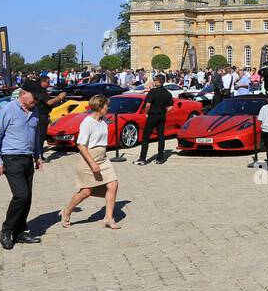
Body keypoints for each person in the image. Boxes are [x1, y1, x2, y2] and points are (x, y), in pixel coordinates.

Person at [0, 81, 43, 250]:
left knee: (28, 197)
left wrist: (38, 156)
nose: (36, 101)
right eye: (34, 97)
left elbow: (35, 136)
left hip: (27, 158)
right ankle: (7, 230)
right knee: (21, 195)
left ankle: (20, 232)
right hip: (11, 158)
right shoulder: (7, 109)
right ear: (24, 93)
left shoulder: (35, 111)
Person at [60, 95, 122, 230]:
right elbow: (81, 145)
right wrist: (93, 163)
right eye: (106, 105)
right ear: (99, 107)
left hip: (103, 157)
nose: (108, 108)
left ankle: (108, 218)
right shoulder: (87, 122)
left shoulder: (103, 120)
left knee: (113, 184)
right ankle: (66, 211)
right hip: (89, 158)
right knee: (86, 192)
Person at [135, 75, 174, 166]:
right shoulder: (168, 93)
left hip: (153, 115)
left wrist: (147, 112)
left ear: (157, 82)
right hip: (162, 115)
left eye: (154, 80)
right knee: (161, 136)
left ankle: (142, 158)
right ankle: (160, 158)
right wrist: (165, 111)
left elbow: (148, 104)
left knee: (146, 137)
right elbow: (171, 106)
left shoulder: (152, 92)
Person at [33, 75, 67, 160]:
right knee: (40, 136)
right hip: (40, 115)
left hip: (42, 115)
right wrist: (60, 97)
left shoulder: (42, 90)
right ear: (43, 82)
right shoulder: (39, 90)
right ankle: (38, 156)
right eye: (48, 82)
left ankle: (38, 154)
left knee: (41, 136)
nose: (49, 84)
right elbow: (49, 102)